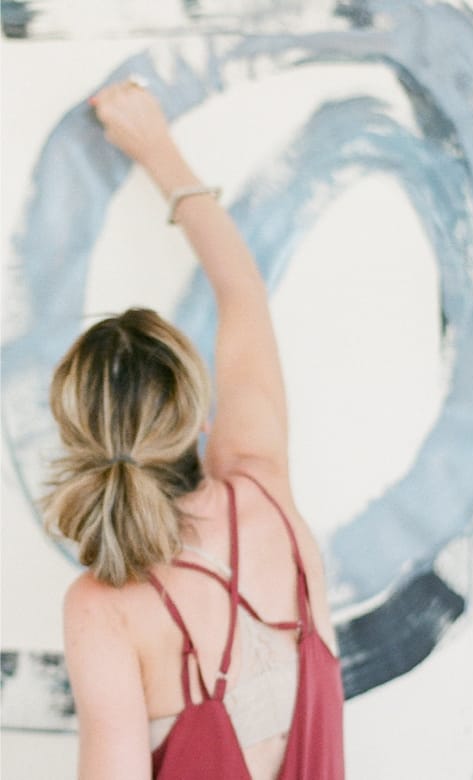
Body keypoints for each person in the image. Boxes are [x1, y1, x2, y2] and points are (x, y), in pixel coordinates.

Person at [43, 77, 345, 779]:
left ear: (82, 443)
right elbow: (242, 292)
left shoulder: (104, 610)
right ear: (200, 418)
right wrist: (157, 148)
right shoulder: (265, 490)